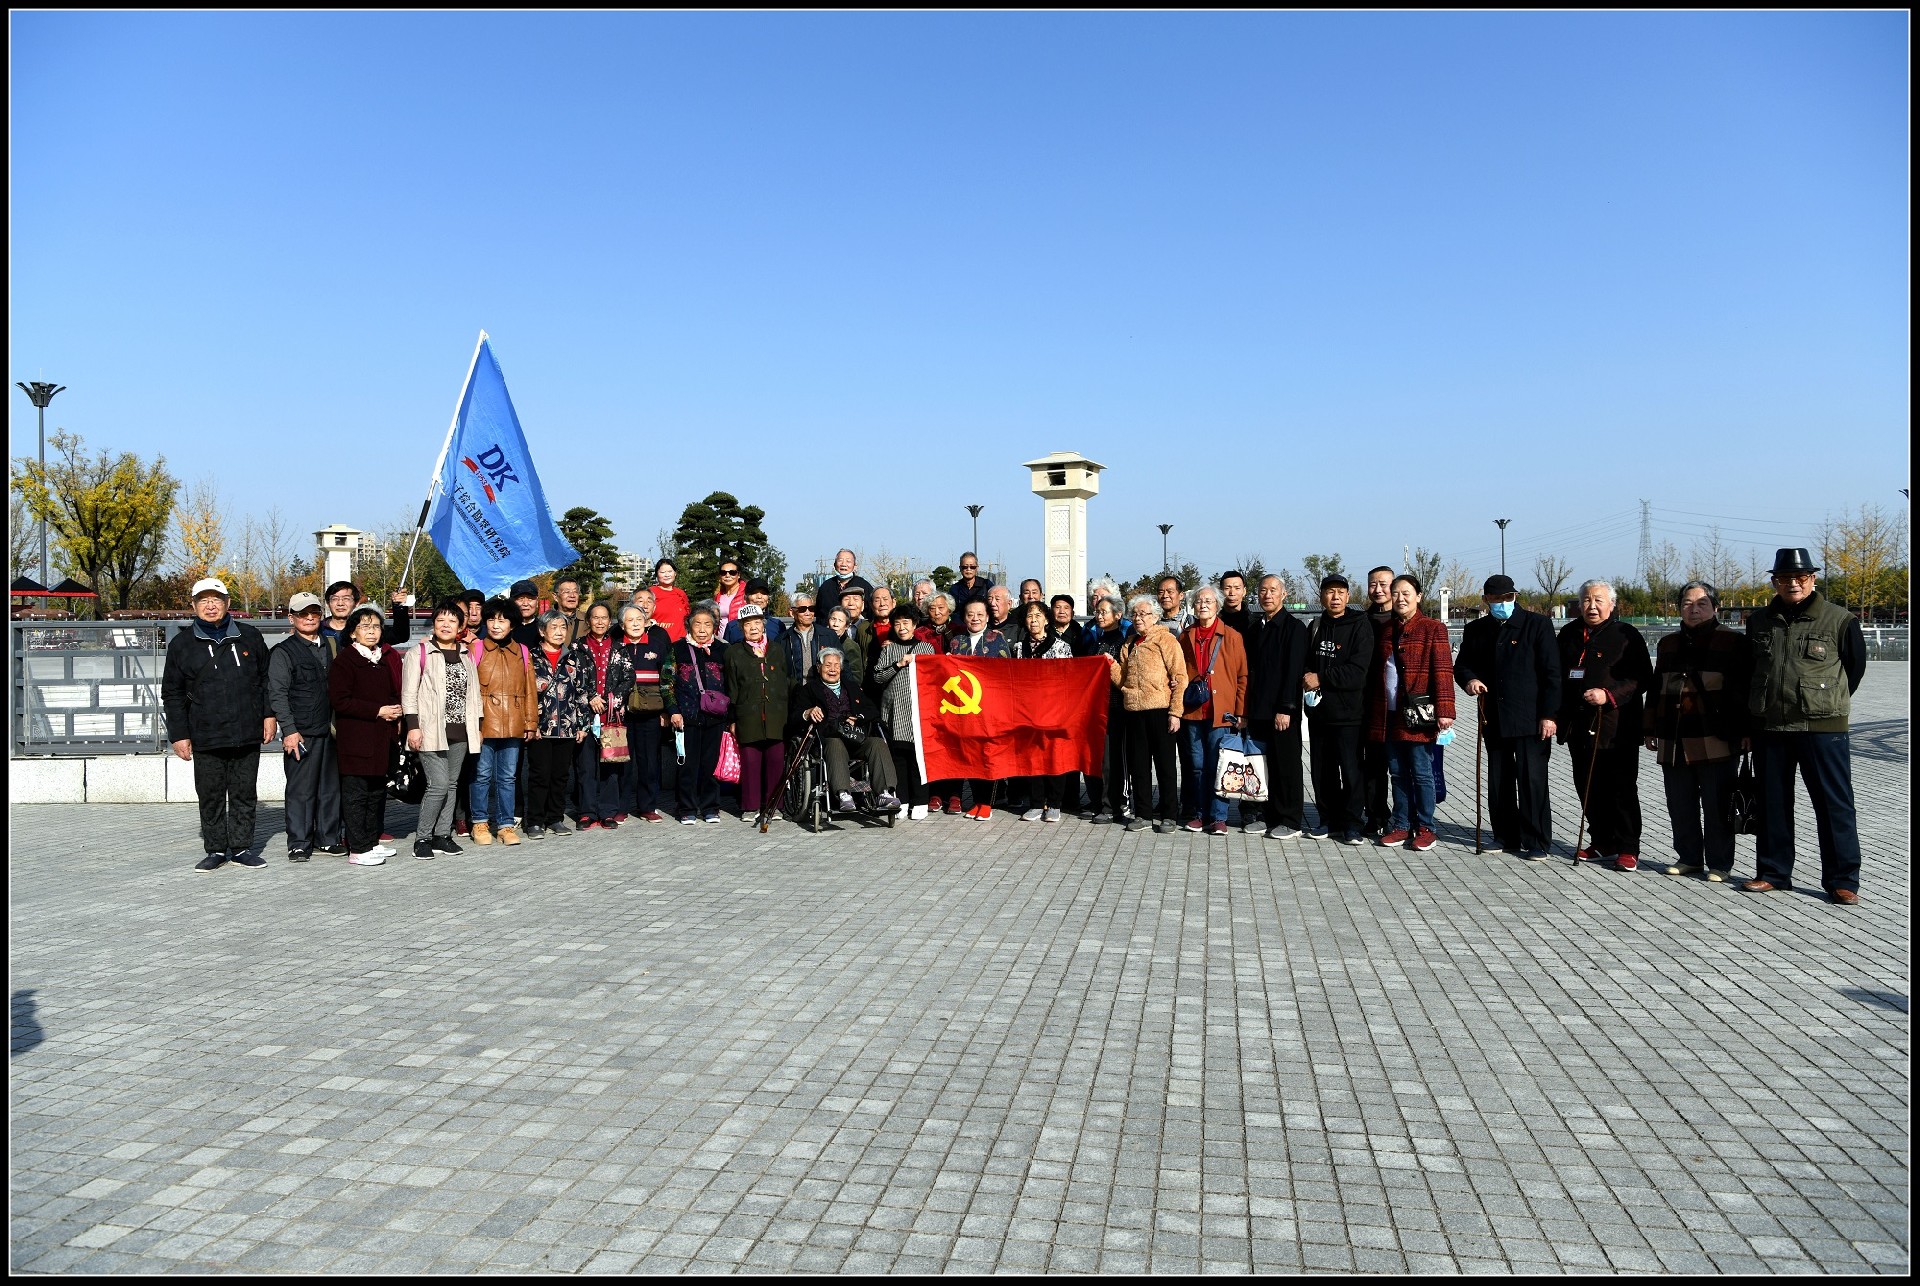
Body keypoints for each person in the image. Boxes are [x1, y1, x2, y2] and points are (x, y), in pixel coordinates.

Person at [1742, 548, 1867, 904]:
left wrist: (1823, 702)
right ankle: (1773, 872)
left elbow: (1853, 671)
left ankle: (1843, 880)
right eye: (1784, 579)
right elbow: (1751, 670)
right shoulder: (1759, 621)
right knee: (1772, 803)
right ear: (1774, 582)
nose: (1792, 584)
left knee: (1834, 804)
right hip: (1771, 726)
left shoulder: (1839, 619)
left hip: (1823, 728)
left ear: (1812, 579)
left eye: (1800, 578)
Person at [162, 578, 273, 871]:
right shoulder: (182, 644)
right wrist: (179, 735)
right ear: (194, 606)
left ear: (226, 603)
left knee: (244, 792)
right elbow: (172, 693)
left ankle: (241, 847)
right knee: (210, 794)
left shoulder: (249, 636)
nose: (210, 606)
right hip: (205, 733)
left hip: (247, 730)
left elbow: (265, 681)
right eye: (204, 601)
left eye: (216, 600)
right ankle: (214, 849)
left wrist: (268, 715)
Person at [1645, 580, 1752, 882]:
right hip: (1674, 735)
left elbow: (1744, 691)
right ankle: (1689, 857)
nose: (1693, 609)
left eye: (1701, 603)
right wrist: (1650, 727)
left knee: (1717, 804)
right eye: (1687, 604)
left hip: (1715, 735)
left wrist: (1746, 731)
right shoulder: (1668, 644)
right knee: (1679, 802)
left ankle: (1720, 863)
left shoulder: (1733, 642)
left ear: (1716, 608)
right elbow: (1656, 689)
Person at [1455, 574, 1560, 860]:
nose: (1503, 603)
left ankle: (1537, 840)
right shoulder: (1476, 629)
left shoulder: (1537, 625)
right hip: (1495, 718)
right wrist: (1470, 680)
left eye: (1508, 598)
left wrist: (1549, 715)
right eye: (1497, 599)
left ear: (1515, 597)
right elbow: (1462, 665)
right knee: (1499, 779)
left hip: (1531, 719)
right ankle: (1505, 835)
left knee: (1532, 780)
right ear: (1486, 600)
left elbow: (1552, 674)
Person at [1555, 579, 1651, 870]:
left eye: (1598, 600)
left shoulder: (1626, 635)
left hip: (1615, 726)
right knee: (1586, 786)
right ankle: (1601, 840)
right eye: (1586, 600)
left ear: (1612, 604)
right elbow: (1556, 674)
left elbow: (1642, 677)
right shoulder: (1569, 633)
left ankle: (1628, 846)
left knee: (1621, 788)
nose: (1592, 606)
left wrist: (1607, 695)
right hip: (1578, 725)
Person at [1367, 575, 1455, 851]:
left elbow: (1443, 671)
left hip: (1418, 714)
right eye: (1396, 594)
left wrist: (1446, 710)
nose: (1400, 598)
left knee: (1422, 772)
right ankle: (1401, 824)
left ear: (1418, 596)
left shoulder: (1433, 628)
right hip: (1390, 714)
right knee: (1397, 772)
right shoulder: (1387, 629)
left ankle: (1426, 826)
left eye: (1406, 593)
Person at [401, 600, 480, 859]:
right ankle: (422, 837)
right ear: (433, 624)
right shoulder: (419, 652)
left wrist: (477, 726)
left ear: (461, 625)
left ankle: (442, 835)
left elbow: (474, 694)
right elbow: (409, 694)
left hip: (460, 730)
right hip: (430, 729)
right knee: (439, 784)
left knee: (453, 784)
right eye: (440, 620)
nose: (446, 625)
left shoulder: (466, 654)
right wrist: (413, 727)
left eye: (452, 621)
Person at [267, 591, 341, 862]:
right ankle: (299, 842)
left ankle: (329, 838)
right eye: (302, 614)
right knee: (300, 791)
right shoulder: (283, 652)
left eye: (314, 613)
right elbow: (278, 693)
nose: (309, 618)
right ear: (292, 618)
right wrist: (289, 730)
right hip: (301, 732)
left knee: (330, 788)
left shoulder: (333, 645)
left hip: (331, 730)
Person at [327, 605, 404, 866]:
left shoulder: (380, 659)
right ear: (352, 633)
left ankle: (371, 842)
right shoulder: (346, 661)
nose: (372, 632)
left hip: (381, 738)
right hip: (356, 739)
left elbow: (391, 693)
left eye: (376, 627)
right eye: (365, 627)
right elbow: (341, 701)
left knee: (376, 793)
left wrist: (395, 710)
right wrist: (378, 710)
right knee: (356, 795)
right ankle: (357, 848)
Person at [1241, 574, 1310, 840]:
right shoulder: (1256, 628)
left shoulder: (1294, 628)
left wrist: (1286, 707)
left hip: (1282, 711)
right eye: (1263, 590)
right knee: (1262, 765)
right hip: (1258, 710)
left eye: (1273, 590)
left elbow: (1294, 671)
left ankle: (1290, 819)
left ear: (1284, 594)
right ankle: (1267, 816)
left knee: (1287, 765)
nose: (1267, 595)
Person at [1177, 586, 1251, 837]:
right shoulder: (1185, 636)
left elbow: (1242, 676)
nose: (1203, 605)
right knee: (1197, 766)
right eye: (1198, 601)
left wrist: (1241, 712)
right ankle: (1200, 814)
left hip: (1222, 713)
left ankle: (1219, 818)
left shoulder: (1231, 636)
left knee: (1220, 765)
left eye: (1208, 601)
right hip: (1193, 712)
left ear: (1217, 605)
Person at [1114, 596, 1186, 833]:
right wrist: (1110, 666)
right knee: (1138, 766)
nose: (1138, 618)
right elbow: (1122, 679)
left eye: (1143, 614)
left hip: (1160, 710)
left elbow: (1179, 678)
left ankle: (1169, 815)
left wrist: (1175, 712)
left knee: (1165, 766)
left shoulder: (1166, 640)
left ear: (1155, 616)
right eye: (1134, 614)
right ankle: (1142, 813)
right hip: (1133, 712)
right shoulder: (1129, 643)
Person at [470, 598, 537, 846]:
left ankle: (506, 825)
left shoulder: (522, 651)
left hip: (514, 721)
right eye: (491, 619)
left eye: (502, 619)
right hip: (483, 723)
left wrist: (531, 722)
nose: (496, 625)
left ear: (512, 624)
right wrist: (473, 725)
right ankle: (479, 822)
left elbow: (530, 689)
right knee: (481, 775)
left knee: (508, 777)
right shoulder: (475, 650)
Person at [800, 647, 899, 811]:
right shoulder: (809, 689)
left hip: (855, 737)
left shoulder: (852, 687)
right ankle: (844, 794)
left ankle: (884, 793)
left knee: (877, 743)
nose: (832, 669)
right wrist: (808, 712)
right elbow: (796, 716)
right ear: (819, 667)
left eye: (836, 665)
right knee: (835, 744)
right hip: (828, 739)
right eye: (828, 665)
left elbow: (872, 710)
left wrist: (858, 718)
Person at [1010, 600, 1079, 822]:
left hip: (1054, 711)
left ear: (1047, 620)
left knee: (1054, 756)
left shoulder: (1061, 647)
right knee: (1033, 758)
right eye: (1030, 616)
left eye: (1038, 616)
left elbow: (1068, 681)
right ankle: (1036, 802)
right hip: (1028, 713)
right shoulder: (1019, 648)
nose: (1033, 620)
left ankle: (1055, 803)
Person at [527, 611, 592, 838]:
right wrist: (530, 723)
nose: (558, 631)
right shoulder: (531, 658)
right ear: (542, 631)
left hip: (567, 726)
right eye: (553, 627)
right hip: (540, 728)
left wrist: (583, 724)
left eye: (562, 628)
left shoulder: (574, 658)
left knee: (560, 776)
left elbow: (582, 693)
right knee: (539, 775)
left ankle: (555, 818)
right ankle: (534, 821)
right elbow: (526, 694)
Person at [724, 604, 791, 820]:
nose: (753, 627)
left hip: (776, 713)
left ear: (764, 624)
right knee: (751, 763)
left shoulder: (777, 649)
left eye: (757, 622)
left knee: (775, 761)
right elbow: (731, 687)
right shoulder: (734, 652)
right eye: (748, 624)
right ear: (741, 627)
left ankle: (774, 805)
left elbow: (787, 681)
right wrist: (732, 718)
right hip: (747, 714)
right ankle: (750, 807)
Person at [946, 599, 1011, 818]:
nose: (975, 618)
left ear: (987, 617)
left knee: (989, 756)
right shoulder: (956, 642)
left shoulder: (997, 640)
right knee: (970, 757)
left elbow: (1005, 673)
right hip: (964, 710)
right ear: (964, 617)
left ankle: (987, 804)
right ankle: (975, 801)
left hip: (990, 709)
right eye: (970, 614)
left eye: (980, 614)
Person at [616, 597, 675, 823]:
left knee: (649, 761)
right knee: (622, 762)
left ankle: (648, 806)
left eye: (639, 619)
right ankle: (621, 807)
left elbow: (668, 680)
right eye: (630, 620)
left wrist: (666, 711)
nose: (635, 623)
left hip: (651, 713)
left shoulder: (657, 646)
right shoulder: (616, 647)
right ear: (622, 625)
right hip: (622, 715)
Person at [871, 606, 934, 819]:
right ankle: (903, 800)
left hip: (919, 711)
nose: (902, 627)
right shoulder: (888, 649)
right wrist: (899, 664)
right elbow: (878, 678)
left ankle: (921, 802)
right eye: (897, 623)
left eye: (906, 623)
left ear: (915, 625)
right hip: (894, 710)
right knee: (898, 757)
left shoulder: (926, 648)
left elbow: (935, 677)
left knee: (918, 759)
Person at [671, 604, 730, 825]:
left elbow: (732, 684)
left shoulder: (723, 650)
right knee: (687, 765)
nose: (703, 629)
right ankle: (686, 807)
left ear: (715, 627)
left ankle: (710, 807)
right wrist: (673, 711)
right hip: (687, 717)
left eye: (708, 624)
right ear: (689, 625)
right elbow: (667, 683)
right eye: (698, 624)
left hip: (716, 718)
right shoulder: (677, 649)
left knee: (711, 764)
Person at [572, 603, 627, 829]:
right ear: (589, 621)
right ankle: (586, 811)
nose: (600, 622)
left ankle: (608, 812)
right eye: (596, 618)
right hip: (585, 717)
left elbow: (628, 678)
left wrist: (613, 699)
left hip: (611, 717)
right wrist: (591, 697)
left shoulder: (619, 647)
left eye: (605, 618)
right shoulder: (577, 647)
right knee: (585, 767)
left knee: (610, 767)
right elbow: (572, 679)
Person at [1083, 596, 1131, 821]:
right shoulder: (1095, 640)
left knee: (1113, 761)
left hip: (1117, 708)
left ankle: (1115, 805)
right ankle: (1100, 802)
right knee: (1099, 759)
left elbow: (1126, 676)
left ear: (1118, 615)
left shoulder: (1124, 641)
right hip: (1096, 708)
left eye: (1104, 612)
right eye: (1098, 612)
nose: (1099, 616)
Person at [1359, 565, 1397, 834]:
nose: (1378, 589)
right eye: (1373, 584)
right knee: (1372, 764)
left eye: (1383, 584)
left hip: (1397, 705)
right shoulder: (1361, 621)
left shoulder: (1402, 619)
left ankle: (1407, 816)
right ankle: (1375, 815)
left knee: (1401, 764)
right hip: (1367, 703)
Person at [780, 591, 824, 688]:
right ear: (792, 613)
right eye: (802, 609)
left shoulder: (827, 635)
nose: (808, 613)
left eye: (811, 609)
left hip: (822, 692)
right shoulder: (782, 640)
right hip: (795, 692)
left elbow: (843, 666)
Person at [722, 580, 784, 644]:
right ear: (745, 598)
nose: (759, 597)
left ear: (768, 599)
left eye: (763, 593)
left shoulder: (778, 625)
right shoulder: (732, 627)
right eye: (754, 593)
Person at [815, 549, 874, 614]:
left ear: (855, 567)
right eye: (840, 561)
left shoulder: (864, 586)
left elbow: (872, 611)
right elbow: (819, 613)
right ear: (834, 565)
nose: (844, 564)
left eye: (848, 561)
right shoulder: (825, 587)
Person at [650, 559, 692, 642]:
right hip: (657, 642)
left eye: (670, 571)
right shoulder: (650, 593)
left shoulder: (681, 593)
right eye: (662, 572)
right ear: (657, 574)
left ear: (675, 573)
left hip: (680, 642)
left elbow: (687, 616)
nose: (667, 575)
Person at [552, 577, 592, 645]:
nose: (572, 595)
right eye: (567, 592)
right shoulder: (545, 621)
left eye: (575, 592)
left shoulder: (588, 620)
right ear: (555, 597)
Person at [508, 580, 544, 650]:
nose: (525, 604)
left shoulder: (544, 627)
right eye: (520, 599)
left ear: (537, 602)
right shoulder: (505, 628)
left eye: (530, 599)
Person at [711, 558, 748, 624]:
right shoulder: (718, 596)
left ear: (738, 575)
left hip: (739, 633)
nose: (727, 575)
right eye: (723, 573)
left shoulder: (747, 593)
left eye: (732, 573)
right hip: (720, 634)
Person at [1218, 570, 1253, 639]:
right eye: (1227, 588)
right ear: (1220, 592)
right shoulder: (1215, 622)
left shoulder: (1254, 623)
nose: (1232, 593)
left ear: (1244, 591)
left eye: (1237, 588)